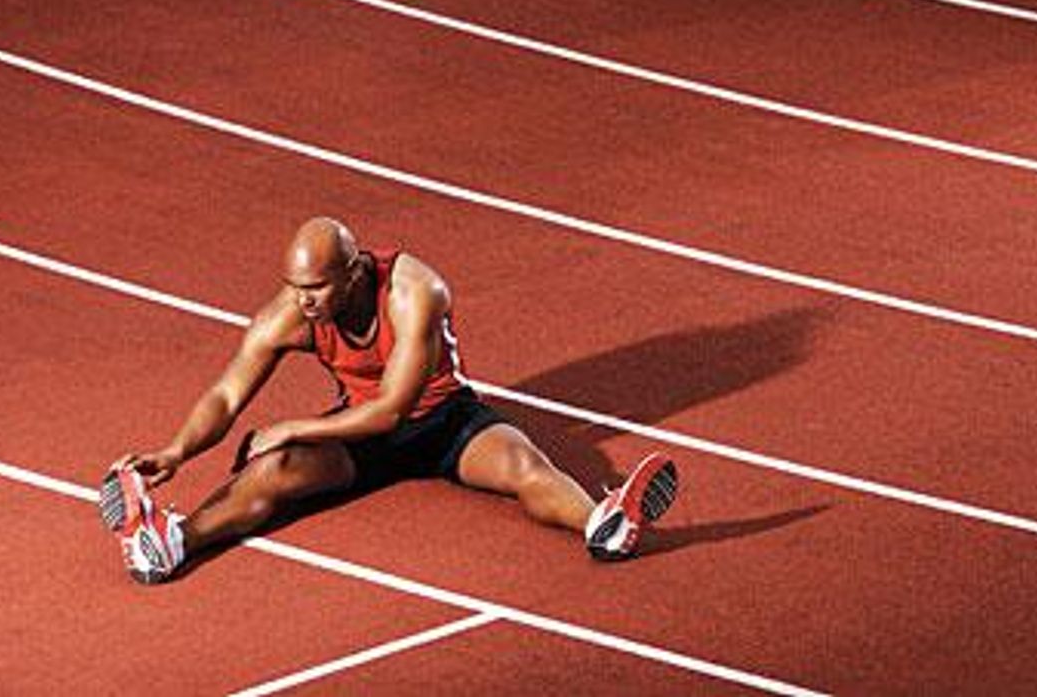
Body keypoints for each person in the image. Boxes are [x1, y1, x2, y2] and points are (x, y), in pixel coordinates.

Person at [100, 217, 678, 583]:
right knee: (272, 472)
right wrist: (176, 451)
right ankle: (173, 542)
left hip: (444, 420)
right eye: (295, 288)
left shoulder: (415, 290)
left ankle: (603, 521)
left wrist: (293, 427)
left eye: (316, 288)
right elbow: (227, 395)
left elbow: (395, 409)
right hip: (362, 435)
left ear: (354, 273)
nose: (303, 302)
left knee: (523, 466)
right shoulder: (290, 312)